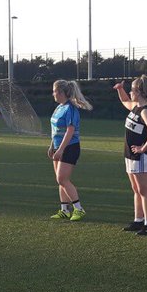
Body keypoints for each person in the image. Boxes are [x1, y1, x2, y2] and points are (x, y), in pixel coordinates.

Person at [114, 75, 147, 235]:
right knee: (136, 189)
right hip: (130, 155)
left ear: (139, 92)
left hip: (141, 156)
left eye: (131, 90)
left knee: (144, 190)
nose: (130, 93)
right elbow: (125, 101)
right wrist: (120, 89)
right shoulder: (135, 106)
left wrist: (143, 148)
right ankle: (138, 220)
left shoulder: (145, 111)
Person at [48, 79, 91, 221]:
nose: (53, 94)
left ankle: (79, 209)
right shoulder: (59, 107)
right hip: (58, 147)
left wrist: (61, 149)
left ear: (61, 92)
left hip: (69, 147)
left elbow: (70, 131)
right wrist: (52, 146)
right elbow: (55, 130)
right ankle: (64, 210)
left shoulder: (70, 109)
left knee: (62, 178)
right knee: (60, 180)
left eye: (54, 91)